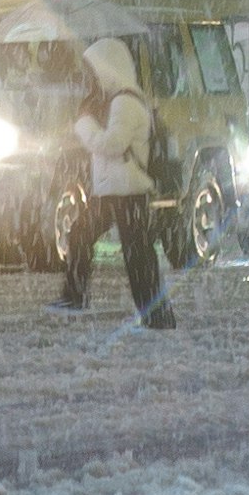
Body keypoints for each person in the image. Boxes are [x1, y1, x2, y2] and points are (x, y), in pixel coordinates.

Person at [52, 36, 174, 328]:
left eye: (95, 70)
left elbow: (113, 144)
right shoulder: (118, 100)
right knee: (92, 238)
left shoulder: (125, 102)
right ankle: (79, 295)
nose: (92, 78)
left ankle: (156, 316)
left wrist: (85, 127)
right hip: (114, 191)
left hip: (128, 192)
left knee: (138, 258)